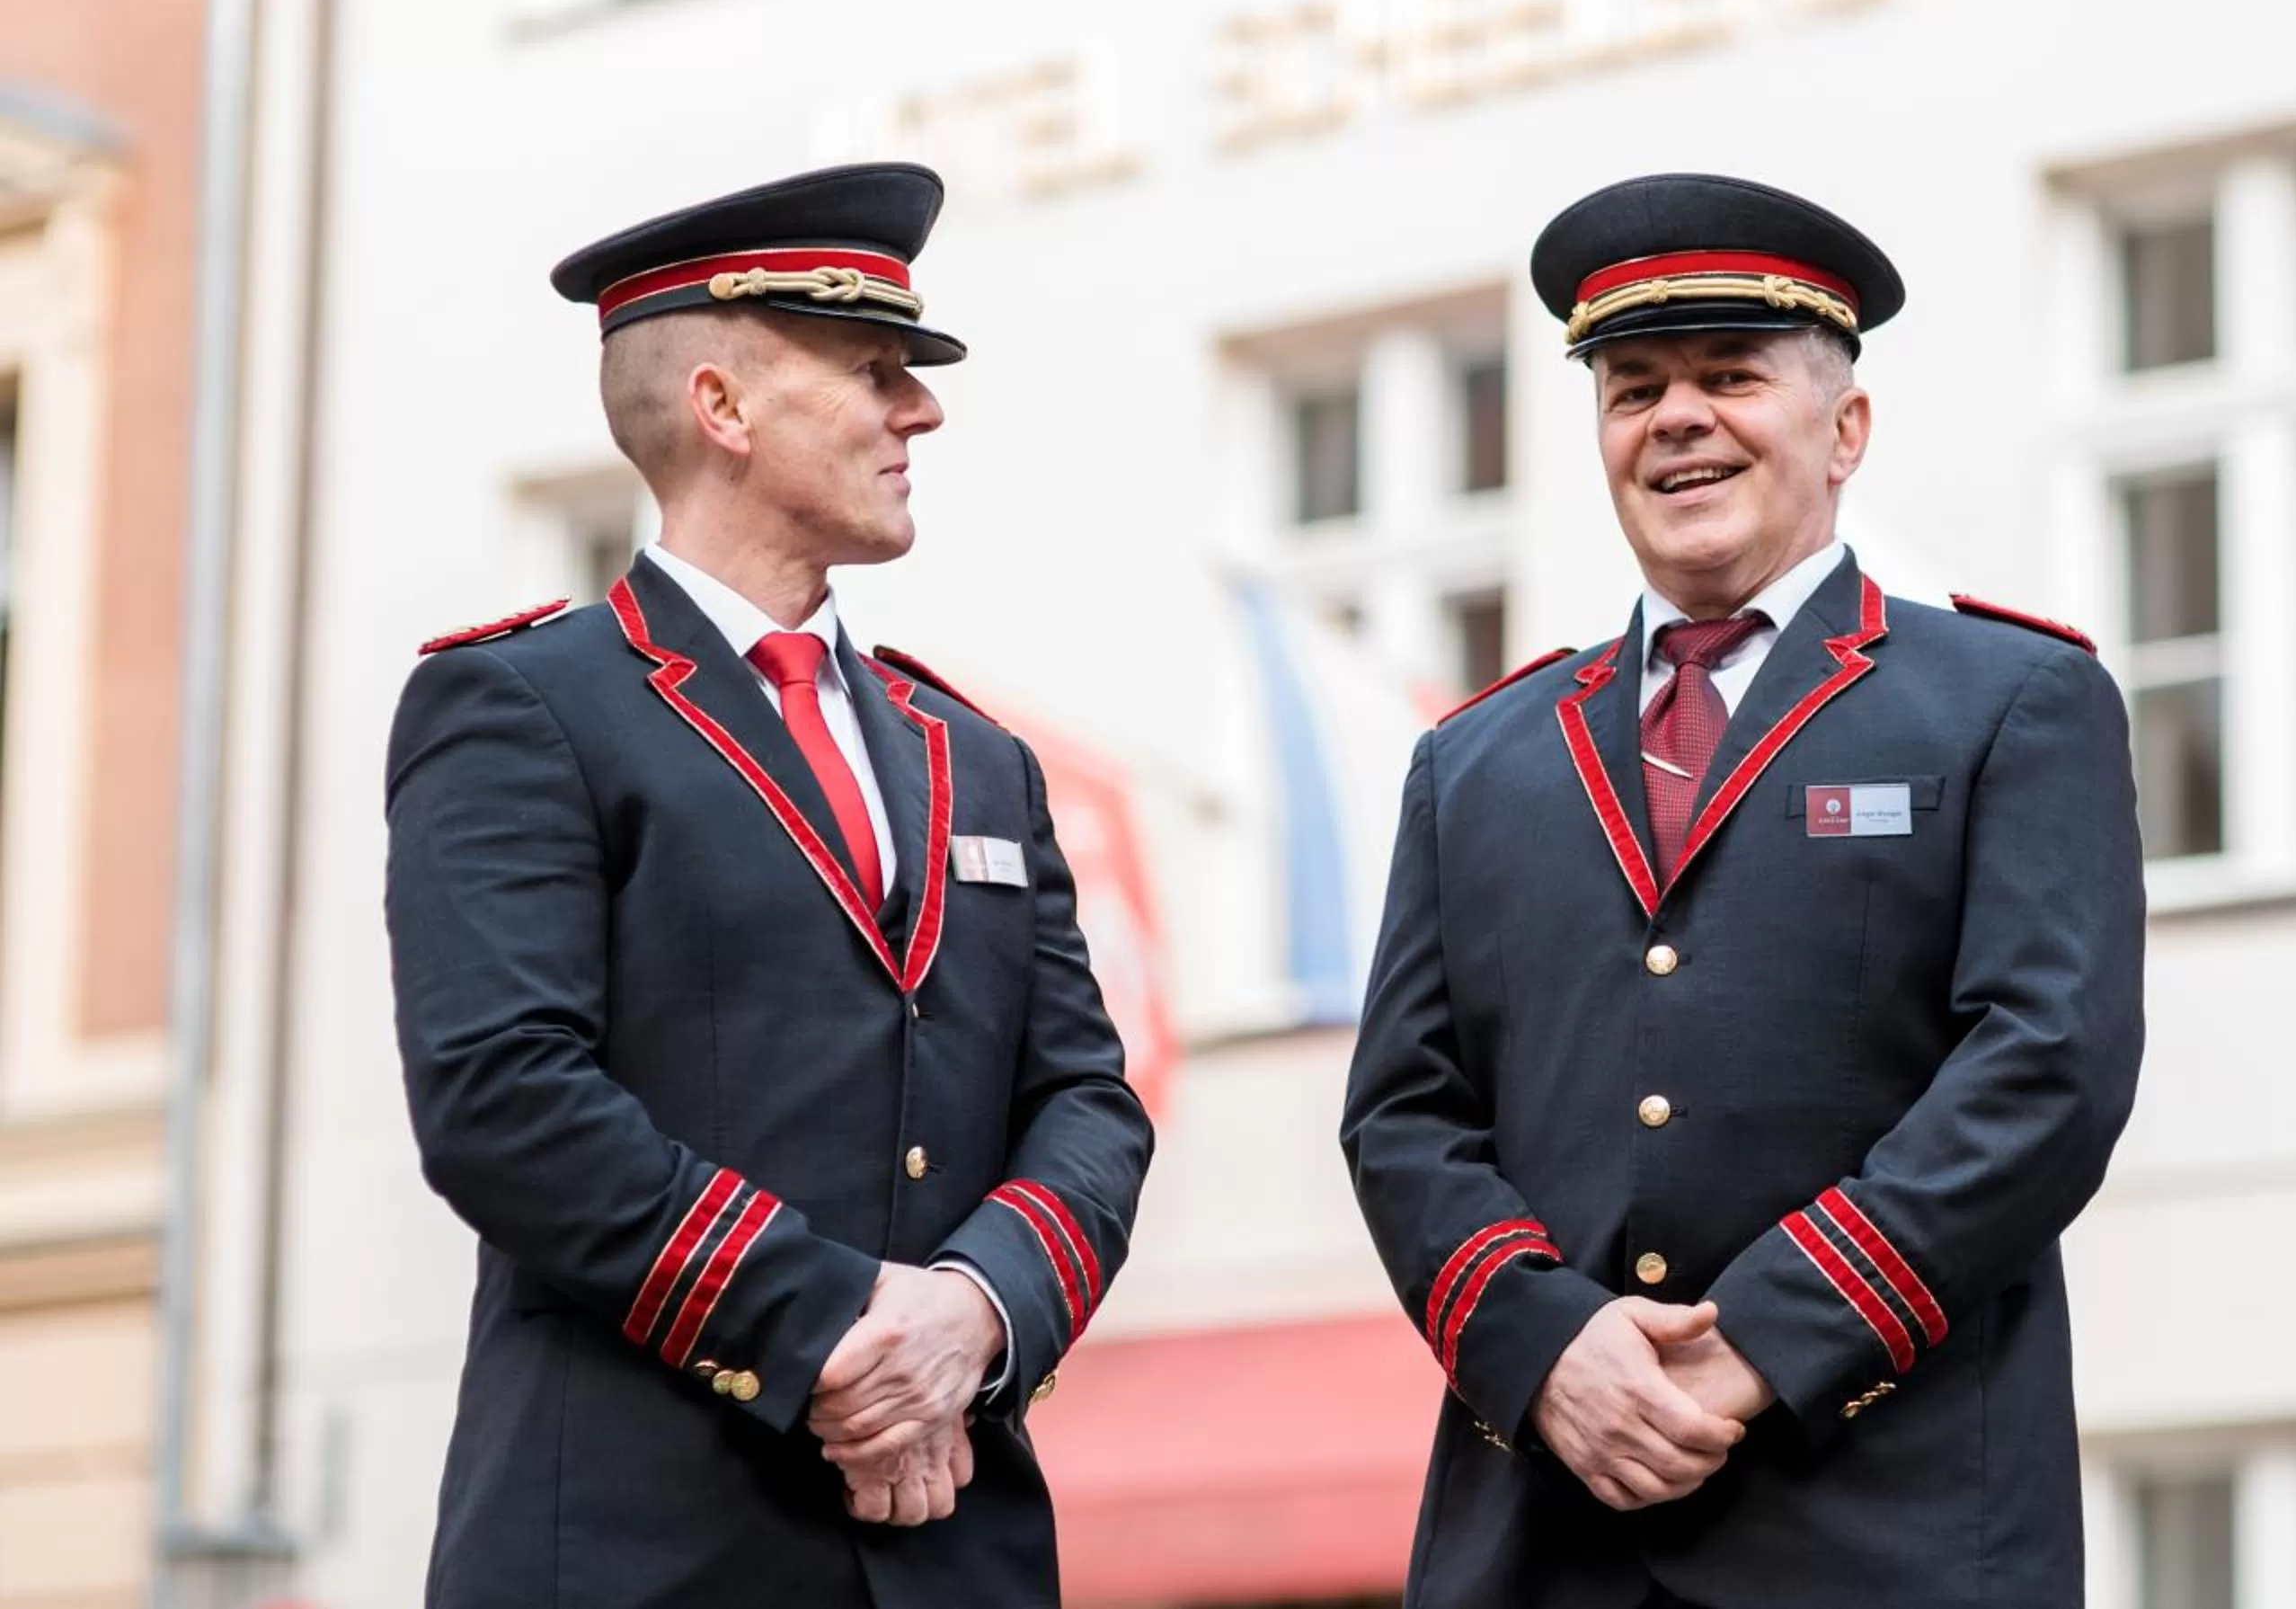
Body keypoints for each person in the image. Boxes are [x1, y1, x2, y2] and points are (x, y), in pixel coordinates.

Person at [1341, 172, 2145, 1608]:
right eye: (1633, 386)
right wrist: (1546, 1344)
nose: (1677, 418)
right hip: (1542, 1537)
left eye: (1729, 376)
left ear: (1845, 431)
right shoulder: (1477, 761)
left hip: (1888, 1536)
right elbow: (1406, 1113)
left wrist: (1755, 1342)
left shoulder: (2012, 700)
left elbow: (2046, 1071)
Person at [385, 163, 1152, 1608]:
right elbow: (502, 1096)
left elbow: (1087, 1103)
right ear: (724, 408)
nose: (919, 410)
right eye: (875, 373)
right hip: (639, 1546)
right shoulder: (526, 706)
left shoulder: (974, 756)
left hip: (953, 1552)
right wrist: (838, 1333)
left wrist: (973, 1316)